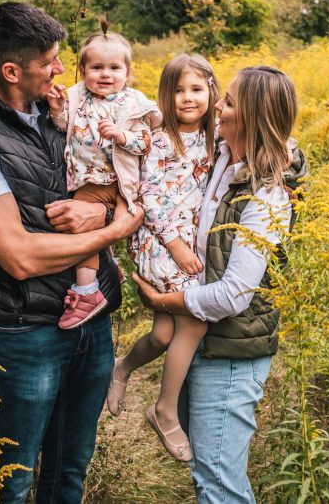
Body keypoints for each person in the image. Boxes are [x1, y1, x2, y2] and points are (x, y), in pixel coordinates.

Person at [0, 2, 142, 503]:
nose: (60, 70)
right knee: (13, 480)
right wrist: (114, 231)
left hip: (91, 321)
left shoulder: (66, 109)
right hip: (27, 333)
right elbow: (19, 257)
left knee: (69, 470)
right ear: (11, 71)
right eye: (49, 61)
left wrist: (103, 210)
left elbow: (124, 169)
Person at [131, 66, 308, 503]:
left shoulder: (267, 195)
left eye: (226, 101)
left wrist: (163, 299)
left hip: (231, 351)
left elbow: (233, 294)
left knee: (219, 487)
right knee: (207, 476)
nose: (216, 106)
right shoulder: (227, 157)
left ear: (248, 117)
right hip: (206, 339)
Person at [107, 54, 219, 462]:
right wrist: (173, 244)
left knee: (164, 335)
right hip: (160, 239)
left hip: (191, 241)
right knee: (195, 322)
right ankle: (165, 411)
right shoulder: (157, 139)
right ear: (164, 97)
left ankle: (121, 368)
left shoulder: (217, 136)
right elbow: (148, 196)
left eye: (196, 89)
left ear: (211, 91)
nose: (187, 98)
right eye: (177, 91)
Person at [46, 17, 160, 329]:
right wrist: (57, 109)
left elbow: (148, 142)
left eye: (114, 69)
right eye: (96, 68)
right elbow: (62, 127)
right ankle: (105, 267)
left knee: (81, 227)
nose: (105, 74)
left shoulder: (133, 103)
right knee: (89, 225)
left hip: (118, 178)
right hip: (87, 176)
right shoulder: (76, 96)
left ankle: (87, 291)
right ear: (83, 71)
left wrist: (122, 137)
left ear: (128, 73)